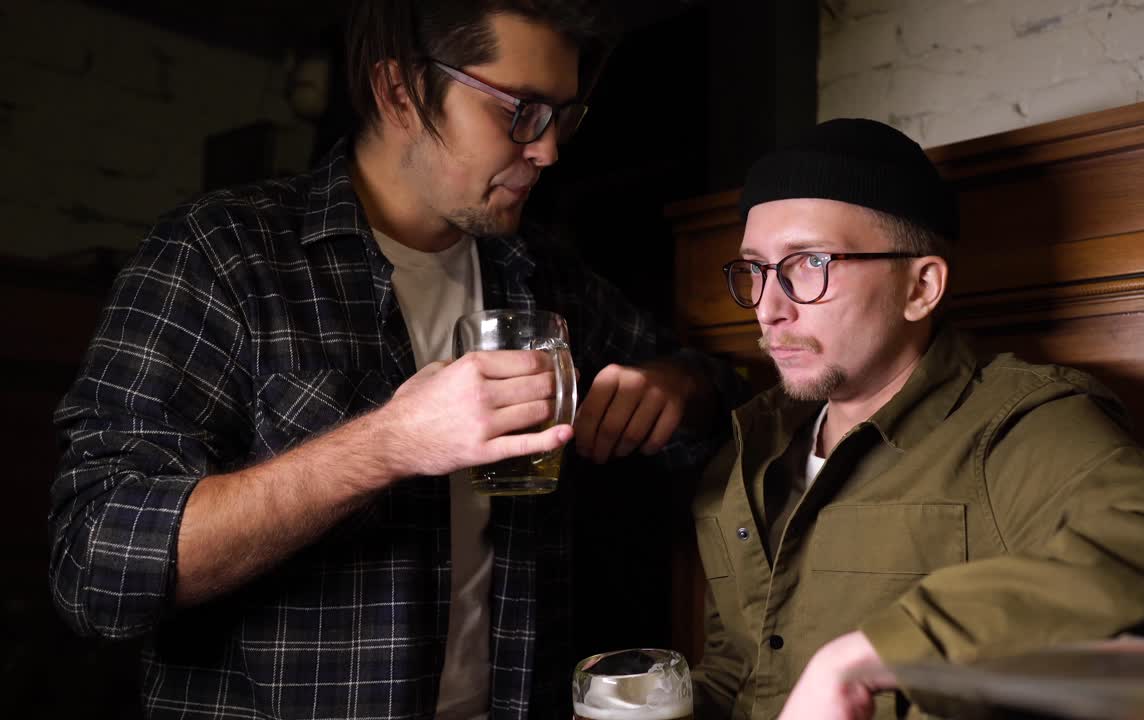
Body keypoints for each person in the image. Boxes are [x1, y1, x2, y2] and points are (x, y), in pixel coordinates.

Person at [49, 2, 740, 718]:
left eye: (563, 115)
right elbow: (94, 565)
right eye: (521, 110)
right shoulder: (220, 255)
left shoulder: (543, 277)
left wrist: (676, 389)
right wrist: (390, 443)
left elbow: (719, 397)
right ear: (400, 91)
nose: (548, 150)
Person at [689, 118, 1144, 720]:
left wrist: (869, 655)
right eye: (755, 269)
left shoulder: (1013, 425)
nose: (768, 308)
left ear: (921, 287)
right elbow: (742, 672)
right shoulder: (747, 445)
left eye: (809, 263)